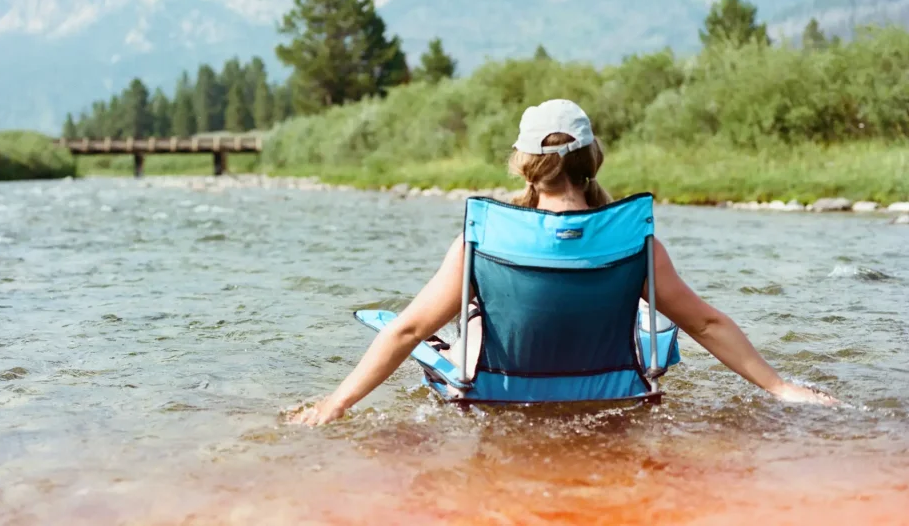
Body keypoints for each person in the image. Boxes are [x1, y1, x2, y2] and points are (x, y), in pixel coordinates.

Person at [291, 99, 836, 426]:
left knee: (458, 329)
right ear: (591, 160)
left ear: (525, 167)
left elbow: (408, 329)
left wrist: (335, 404)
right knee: (660, 325)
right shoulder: (635, 244)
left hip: (499, 402)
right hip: (614, 399)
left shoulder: (481, 242)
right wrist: (781, 388)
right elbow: (707, 323)